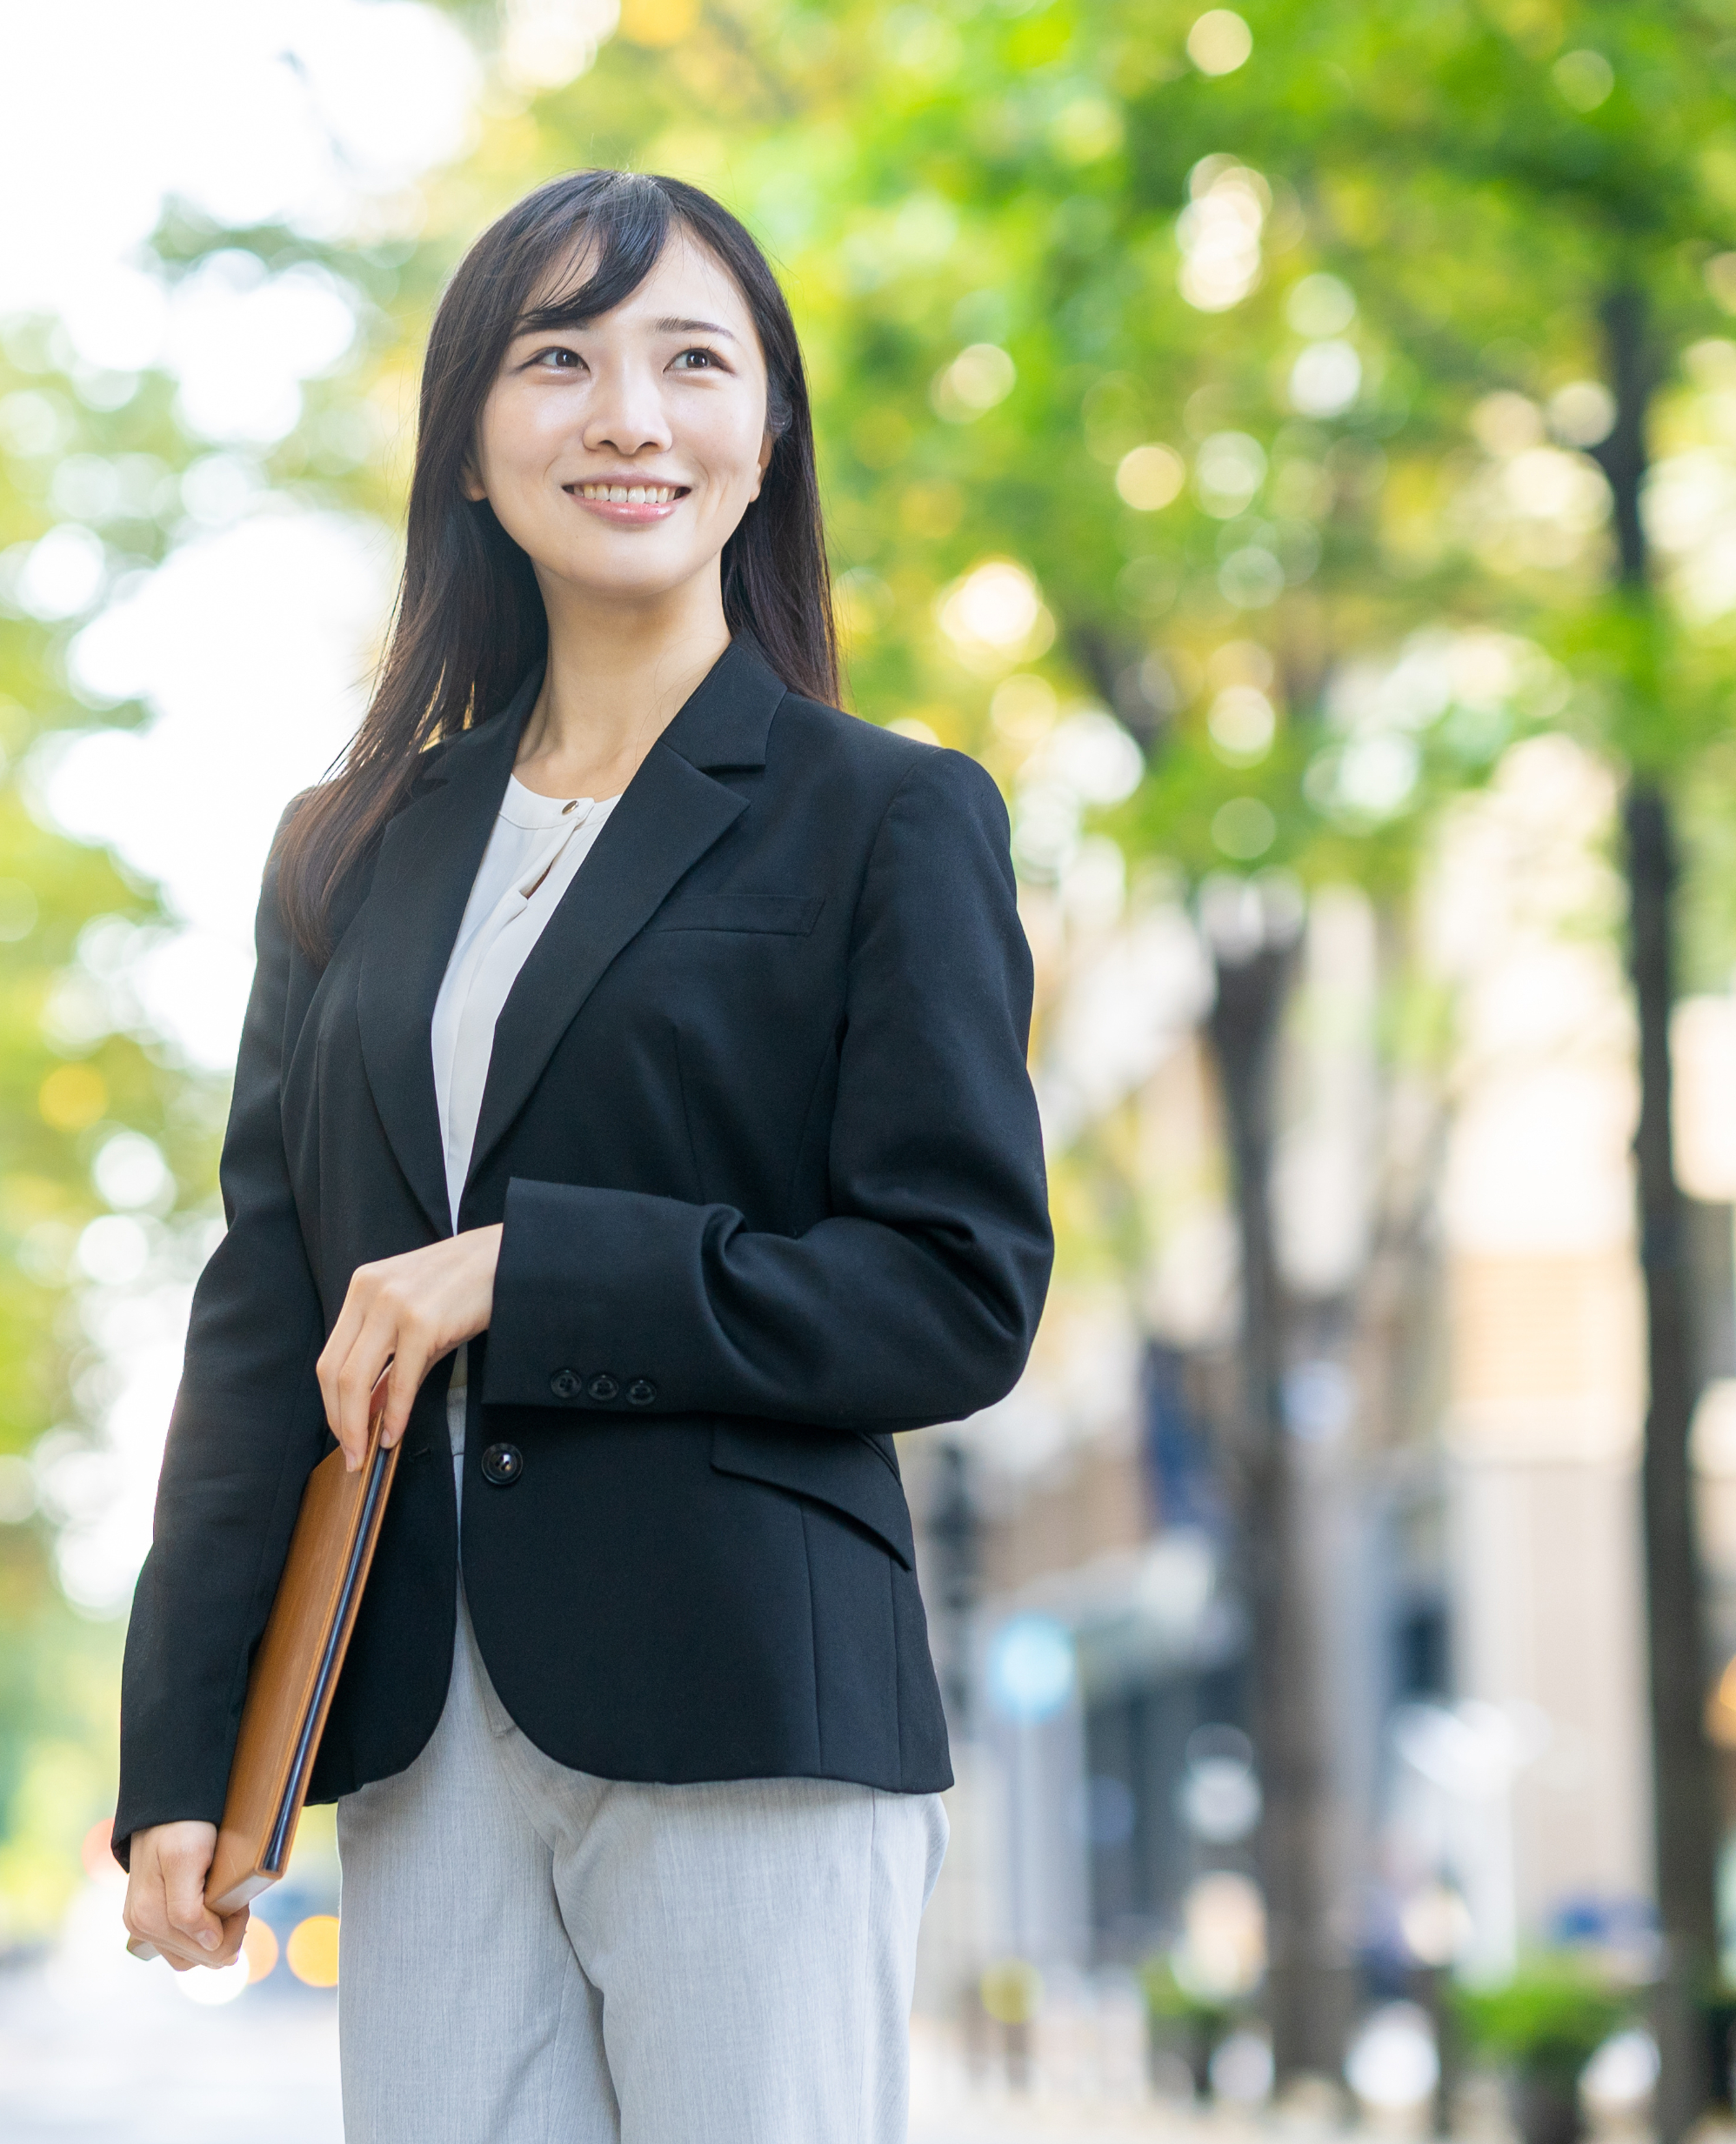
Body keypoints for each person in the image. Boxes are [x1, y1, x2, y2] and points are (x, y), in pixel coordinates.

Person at [111, 170, 1052, 2143]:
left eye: (688, 359)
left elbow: (952, 1291)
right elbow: (261, 1309)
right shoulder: (345, 849)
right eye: (558, 359)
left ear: (762, 430)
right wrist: (181, 1754)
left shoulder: (883, 817)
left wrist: (523, 1270)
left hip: (746, 1708)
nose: (626, 412)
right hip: (419, 1716)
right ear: (469, 438)